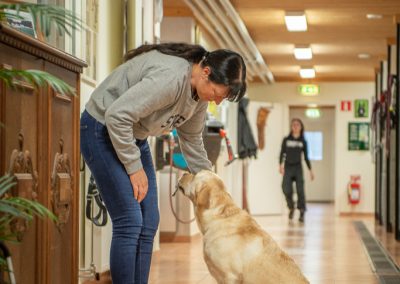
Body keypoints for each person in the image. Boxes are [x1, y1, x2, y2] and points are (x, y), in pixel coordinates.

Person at [80, 43, 247, 284]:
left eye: (221, 99)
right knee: (130, 220)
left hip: (133, 136)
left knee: (149, 221)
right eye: (217, 94)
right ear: (206, 72)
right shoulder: (171, 78)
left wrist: (214, 186)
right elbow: (117, 116)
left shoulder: (199, 96)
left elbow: (191, 141)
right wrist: (134, 168)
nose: (217, 102)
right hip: (100, 129)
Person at [279, 118, 314, 223]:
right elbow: (282, 153)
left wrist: (310, 170)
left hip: (298, 168)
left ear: (301, 127)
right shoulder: (286, 139)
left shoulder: (303, 141)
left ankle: (302, 211)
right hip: (288, 167)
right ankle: (291, 207)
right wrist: (280, 165)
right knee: (285, 188)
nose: (295, 126)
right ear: (291, 127)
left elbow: (306, 157)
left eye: (297, 125)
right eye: (293, 125)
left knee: (300, 191)